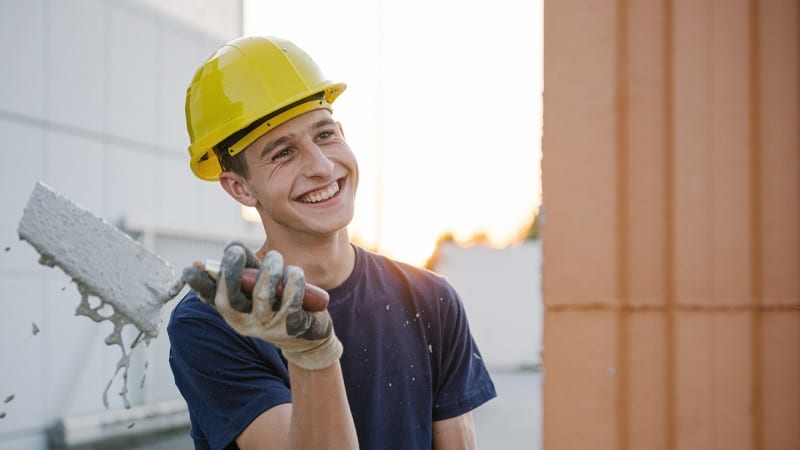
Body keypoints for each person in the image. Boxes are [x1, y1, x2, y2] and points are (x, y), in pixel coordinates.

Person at [168, 35, 496, 450]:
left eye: (325, 135)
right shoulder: (216, 320)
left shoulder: (430, 299)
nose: (322, 167)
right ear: (239, 188)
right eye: (283, 153)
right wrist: (310, 353)